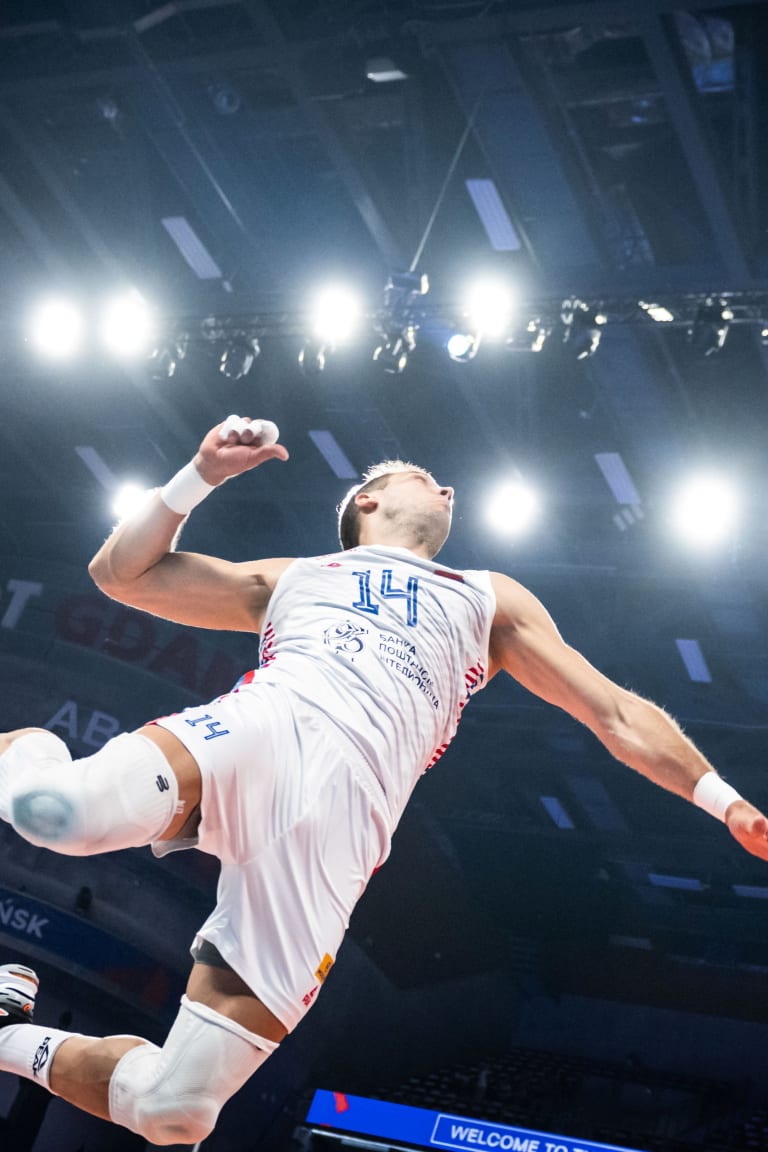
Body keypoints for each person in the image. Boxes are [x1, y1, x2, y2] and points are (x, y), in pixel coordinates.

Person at [0, 415, 766, 1147]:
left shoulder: (488, 597)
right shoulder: (300, 576)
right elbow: (120, 574)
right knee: (54, 811)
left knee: (177, 1111)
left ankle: (5, 1038)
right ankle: (24, 748)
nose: (449, 490)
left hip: (344, 834)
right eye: (427, 478)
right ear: (366, 501)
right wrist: (199, 475)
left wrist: (724, 801)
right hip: (272, 729)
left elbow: (616, 713)